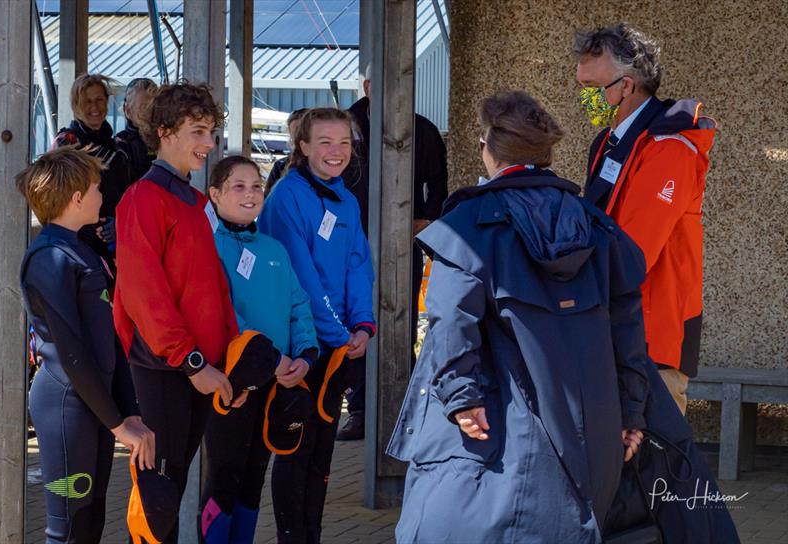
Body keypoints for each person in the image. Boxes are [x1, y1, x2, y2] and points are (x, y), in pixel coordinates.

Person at [387, 91, 651, 542]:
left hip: (494, 425)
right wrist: (632, 411)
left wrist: (459, 395)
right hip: (592, 424)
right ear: (545, 152)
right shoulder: (597, 224)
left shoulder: (467, 225)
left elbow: (450, 319)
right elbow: (627, 329)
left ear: (487, 147)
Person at [113, 82, 246, 544]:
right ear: (164, 131)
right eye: (198, 131)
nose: (209, 144)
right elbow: (144, 298)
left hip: (200, 369)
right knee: (157, 505)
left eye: (211, 131)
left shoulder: (196, 202)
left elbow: (215, 290)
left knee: (174, 491)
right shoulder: (143, 200)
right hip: (165, 369)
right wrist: (192, 363)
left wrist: (228, 366)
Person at [575, 24, 717, 414]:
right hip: (616, 330)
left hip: (653, 335)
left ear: (627, 86)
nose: (585, 97)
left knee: (655, 467)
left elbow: (632, 251)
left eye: (592, 88)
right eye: (581, 87)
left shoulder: (670, 148)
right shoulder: (611, 142)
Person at [16, 147, 155, 543]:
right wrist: (115, 422)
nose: (102, 197)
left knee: (91, 521)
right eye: (97, 189)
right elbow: (70, 353)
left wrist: (129, 413)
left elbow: (109, 340)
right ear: (76, 198)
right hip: (66, 405)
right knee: (68, 527)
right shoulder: (49, 257)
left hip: (94, 403)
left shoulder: (80, 249)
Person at [258, 107, 376, 543]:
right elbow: (301, 277)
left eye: (345, 143)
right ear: (303, 147)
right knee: (296, 450)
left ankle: (313, 535)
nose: (337, 152)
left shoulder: (345, 199)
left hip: (341, 345)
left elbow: (359, 266)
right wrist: (338, 333)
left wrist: (362, 325)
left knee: (322, 454)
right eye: (325, 142)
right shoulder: (287, 197)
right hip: (304, 349)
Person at [200, 155, 319, 544]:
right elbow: (225, 316)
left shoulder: (273, 249)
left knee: (253, 477)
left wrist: (304, 355)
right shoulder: (208, 248)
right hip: (232, 384)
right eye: (239, 186)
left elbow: (298, 304)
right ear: (215, 194)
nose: (250, 194)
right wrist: (272, 359)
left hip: (276, 382)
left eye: (256, 186)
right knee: (224, 478)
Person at [337, 68, 449, 441]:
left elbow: (439, 183)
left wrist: (427, 218)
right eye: (381, 84)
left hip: (403, 247)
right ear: (367, 87)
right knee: (355, 324)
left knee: (399, 324)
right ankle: (360, 411)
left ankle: (406, 408)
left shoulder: (423, 129)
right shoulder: (344, 127)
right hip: (350, 246)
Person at [53, 73, 132, 272]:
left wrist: (119, 224)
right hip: (77, 247)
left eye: (99, 100)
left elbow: (127, 198)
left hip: (115, 249)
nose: (94, 107)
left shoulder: (119, 150)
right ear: (75, 105)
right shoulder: (67, 143)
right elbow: (56, 200)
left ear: (107, 103)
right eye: (87, 101)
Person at [115, 78, 158, 183]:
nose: (149, 113)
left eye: (153, 107)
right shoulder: (120, 146)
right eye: (143, 108)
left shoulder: (166, 140)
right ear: (128, 111)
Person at [264, 108, 308, 196]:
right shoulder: (280, 166)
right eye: (296, 132)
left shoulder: (327, 165)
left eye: (304, 131)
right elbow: (268, 200)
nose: (300, 136)